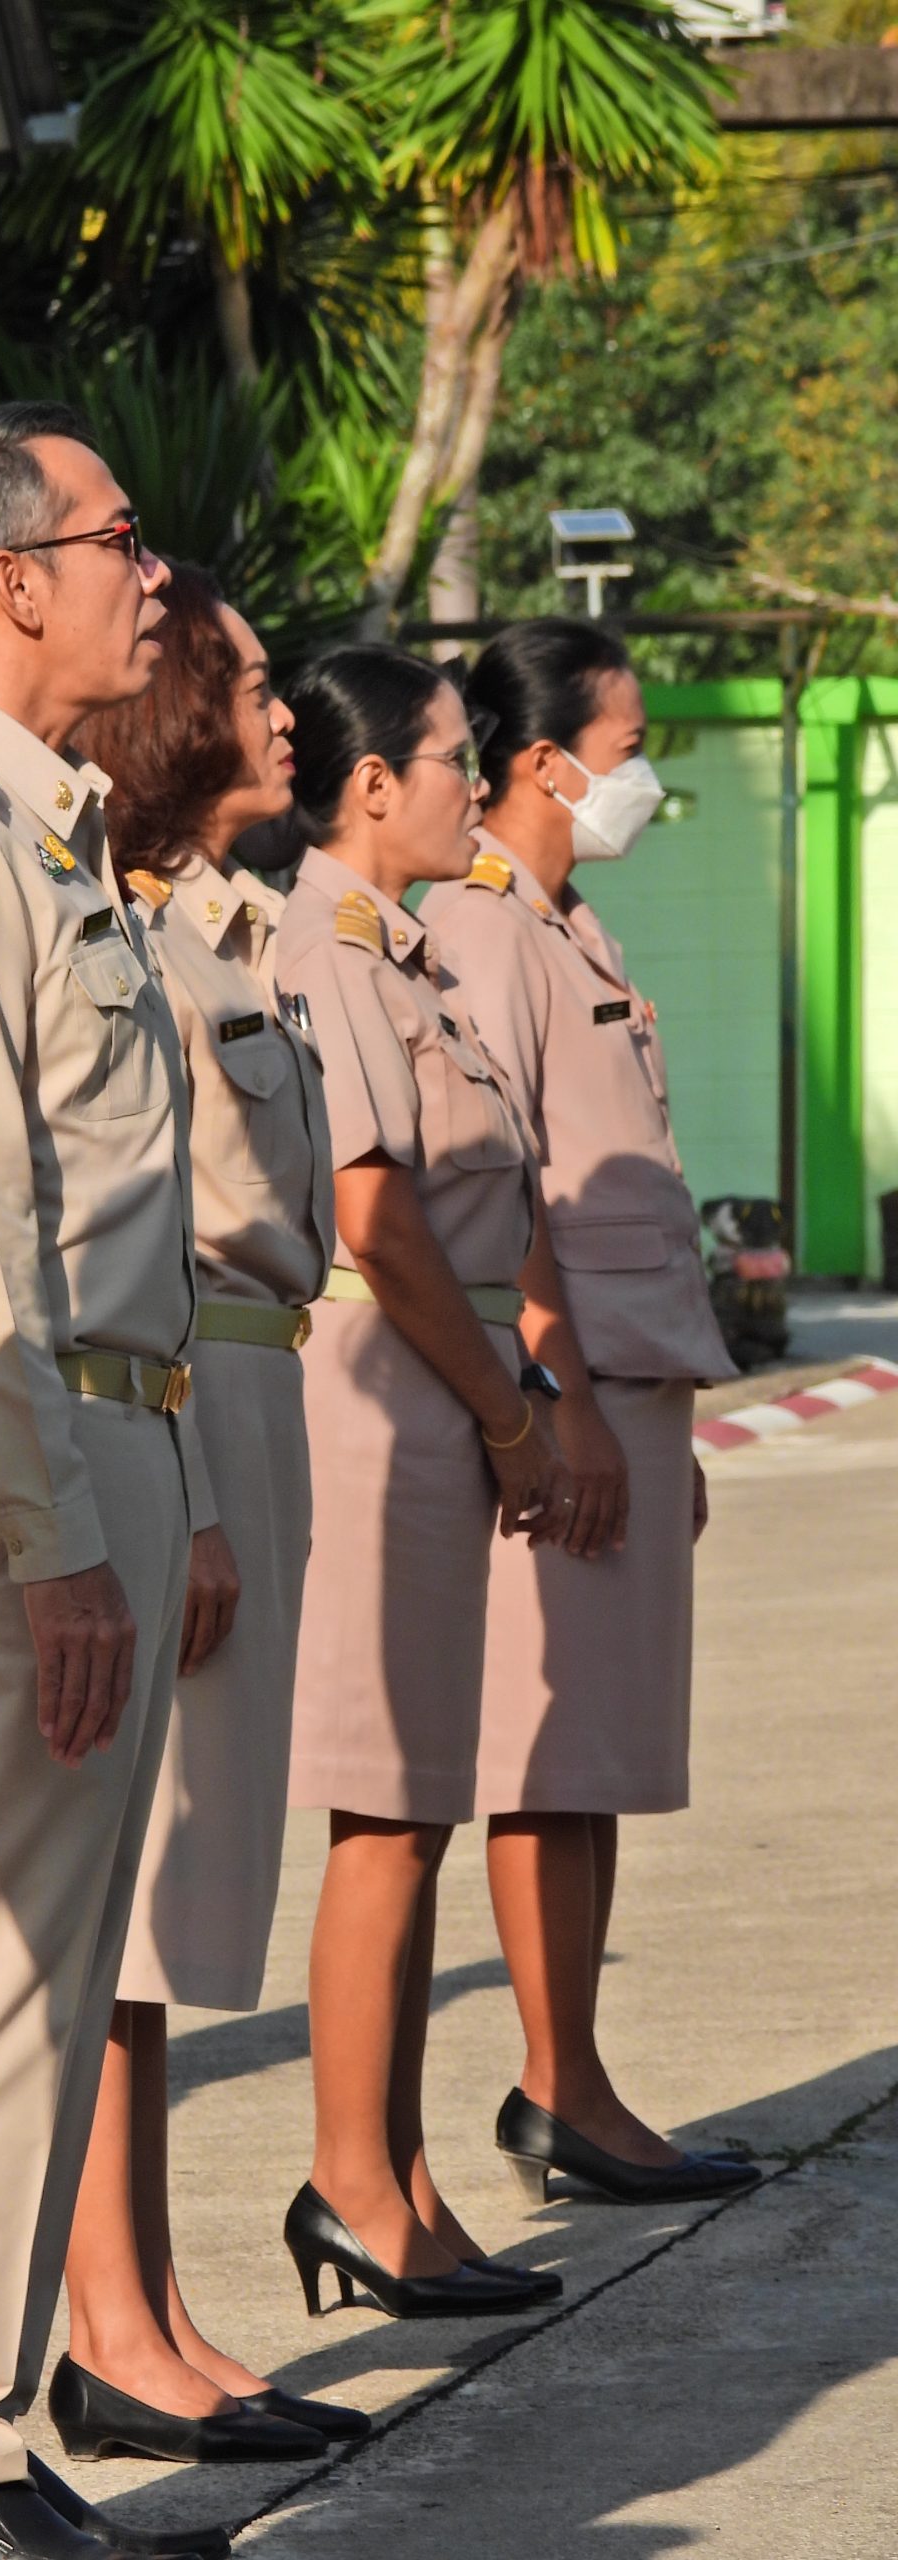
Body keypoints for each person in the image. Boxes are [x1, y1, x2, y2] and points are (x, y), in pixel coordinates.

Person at [0, 405, 230, 2560]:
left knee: (61, 1963)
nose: (151, 578)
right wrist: (57, 1530)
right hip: (44, 1445)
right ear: (11, 580)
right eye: (120, 540)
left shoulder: (53, 833)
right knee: (6, 1973)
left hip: (124, 1418)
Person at [55, 569, 362, 2460]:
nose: (281, 711)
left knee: (181, 1895)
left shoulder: (210, 920)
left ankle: (153, 2297)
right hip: (176, 1392)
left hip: (245, 1381)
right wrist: (188, 1489)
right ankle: (108, 2322)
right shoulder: (113, 920)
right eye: (245, 683)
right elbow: (126, 1228)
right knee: (134, 1895)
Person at [425, 617, 757, 2205]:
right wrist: (557, 1403)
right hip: (574, 1392)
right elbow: (498, 1193)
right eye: (628, 752)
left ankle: (583, 2078)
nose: (643, 783)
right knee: (547, 1754)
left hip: (630, 1384)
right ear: (547, 762)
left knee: (601, 1751)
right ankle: (559, 2085)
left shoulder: (569, 923)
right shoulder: (485, 926)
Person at [268, 643, 572, 2324]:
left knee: (420, 1808)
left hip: (435, 1401)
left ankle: (403, 2178)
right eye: (457, 757)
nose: (478, 781)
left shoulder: (406, 947)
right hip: (383, 1406)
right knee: (384, 1812)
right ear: (373, 784)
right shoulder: (324, 946)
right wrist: (511, 1416)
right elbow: (377, 1222)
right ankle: (351, 2183)